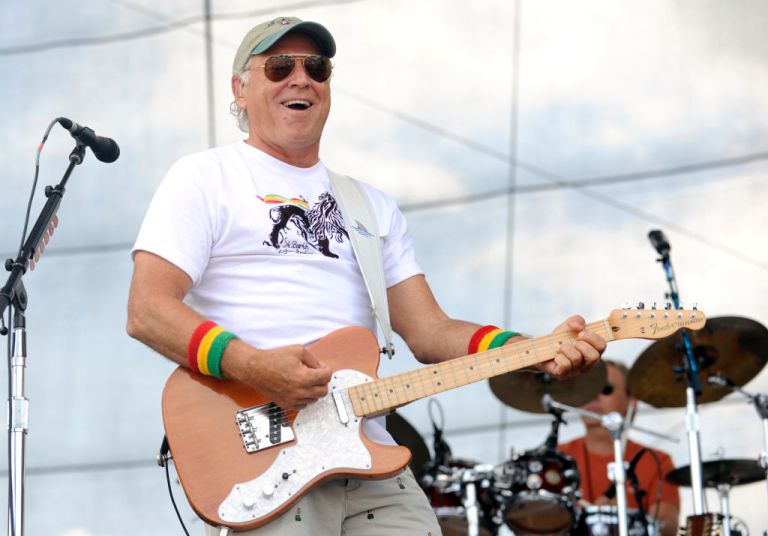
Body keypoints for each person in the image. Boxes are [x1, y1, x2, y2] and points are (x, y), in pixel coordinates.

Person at [127, 16, 607, 535]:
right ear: (240, 89)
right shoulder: (205, 176)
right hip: (265, 452)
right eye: (280, 66)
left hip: (367, 452)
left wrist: (530, 350)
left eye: (316, 68)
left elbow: (429, 331)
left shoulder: (370, 206)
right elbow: (147, 310)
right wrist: (254, 365)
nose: (301, 78)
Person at [558, 360, 680, 535]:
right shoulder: (557, 458)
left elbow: (667, 526)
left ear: (632, 400)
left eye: (606, 389)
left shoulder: (657, 461)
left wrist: (626, 517)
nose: (594, 396)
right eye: (588, 389)